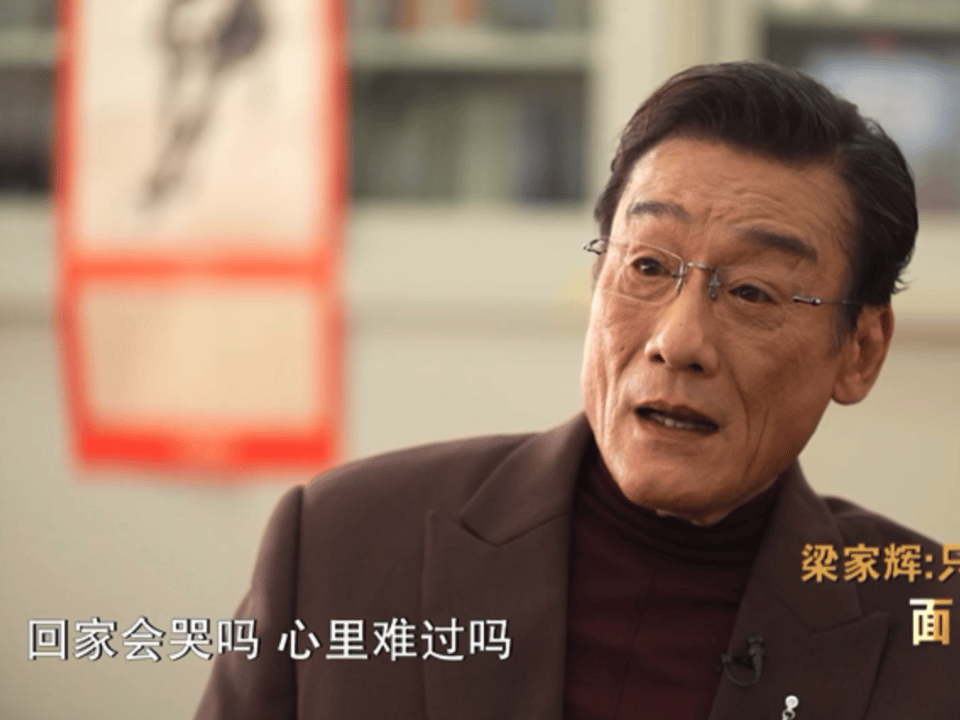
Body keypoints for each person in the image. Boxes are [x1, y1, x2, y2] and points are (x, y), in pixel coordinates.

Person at [193, 61, 959, 719]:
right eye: (648, 266)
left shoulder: (936, 628)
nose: (678, 341)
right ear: (599, 278)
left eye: (753, 292)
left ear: (861, 351)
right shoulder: (339, 541)